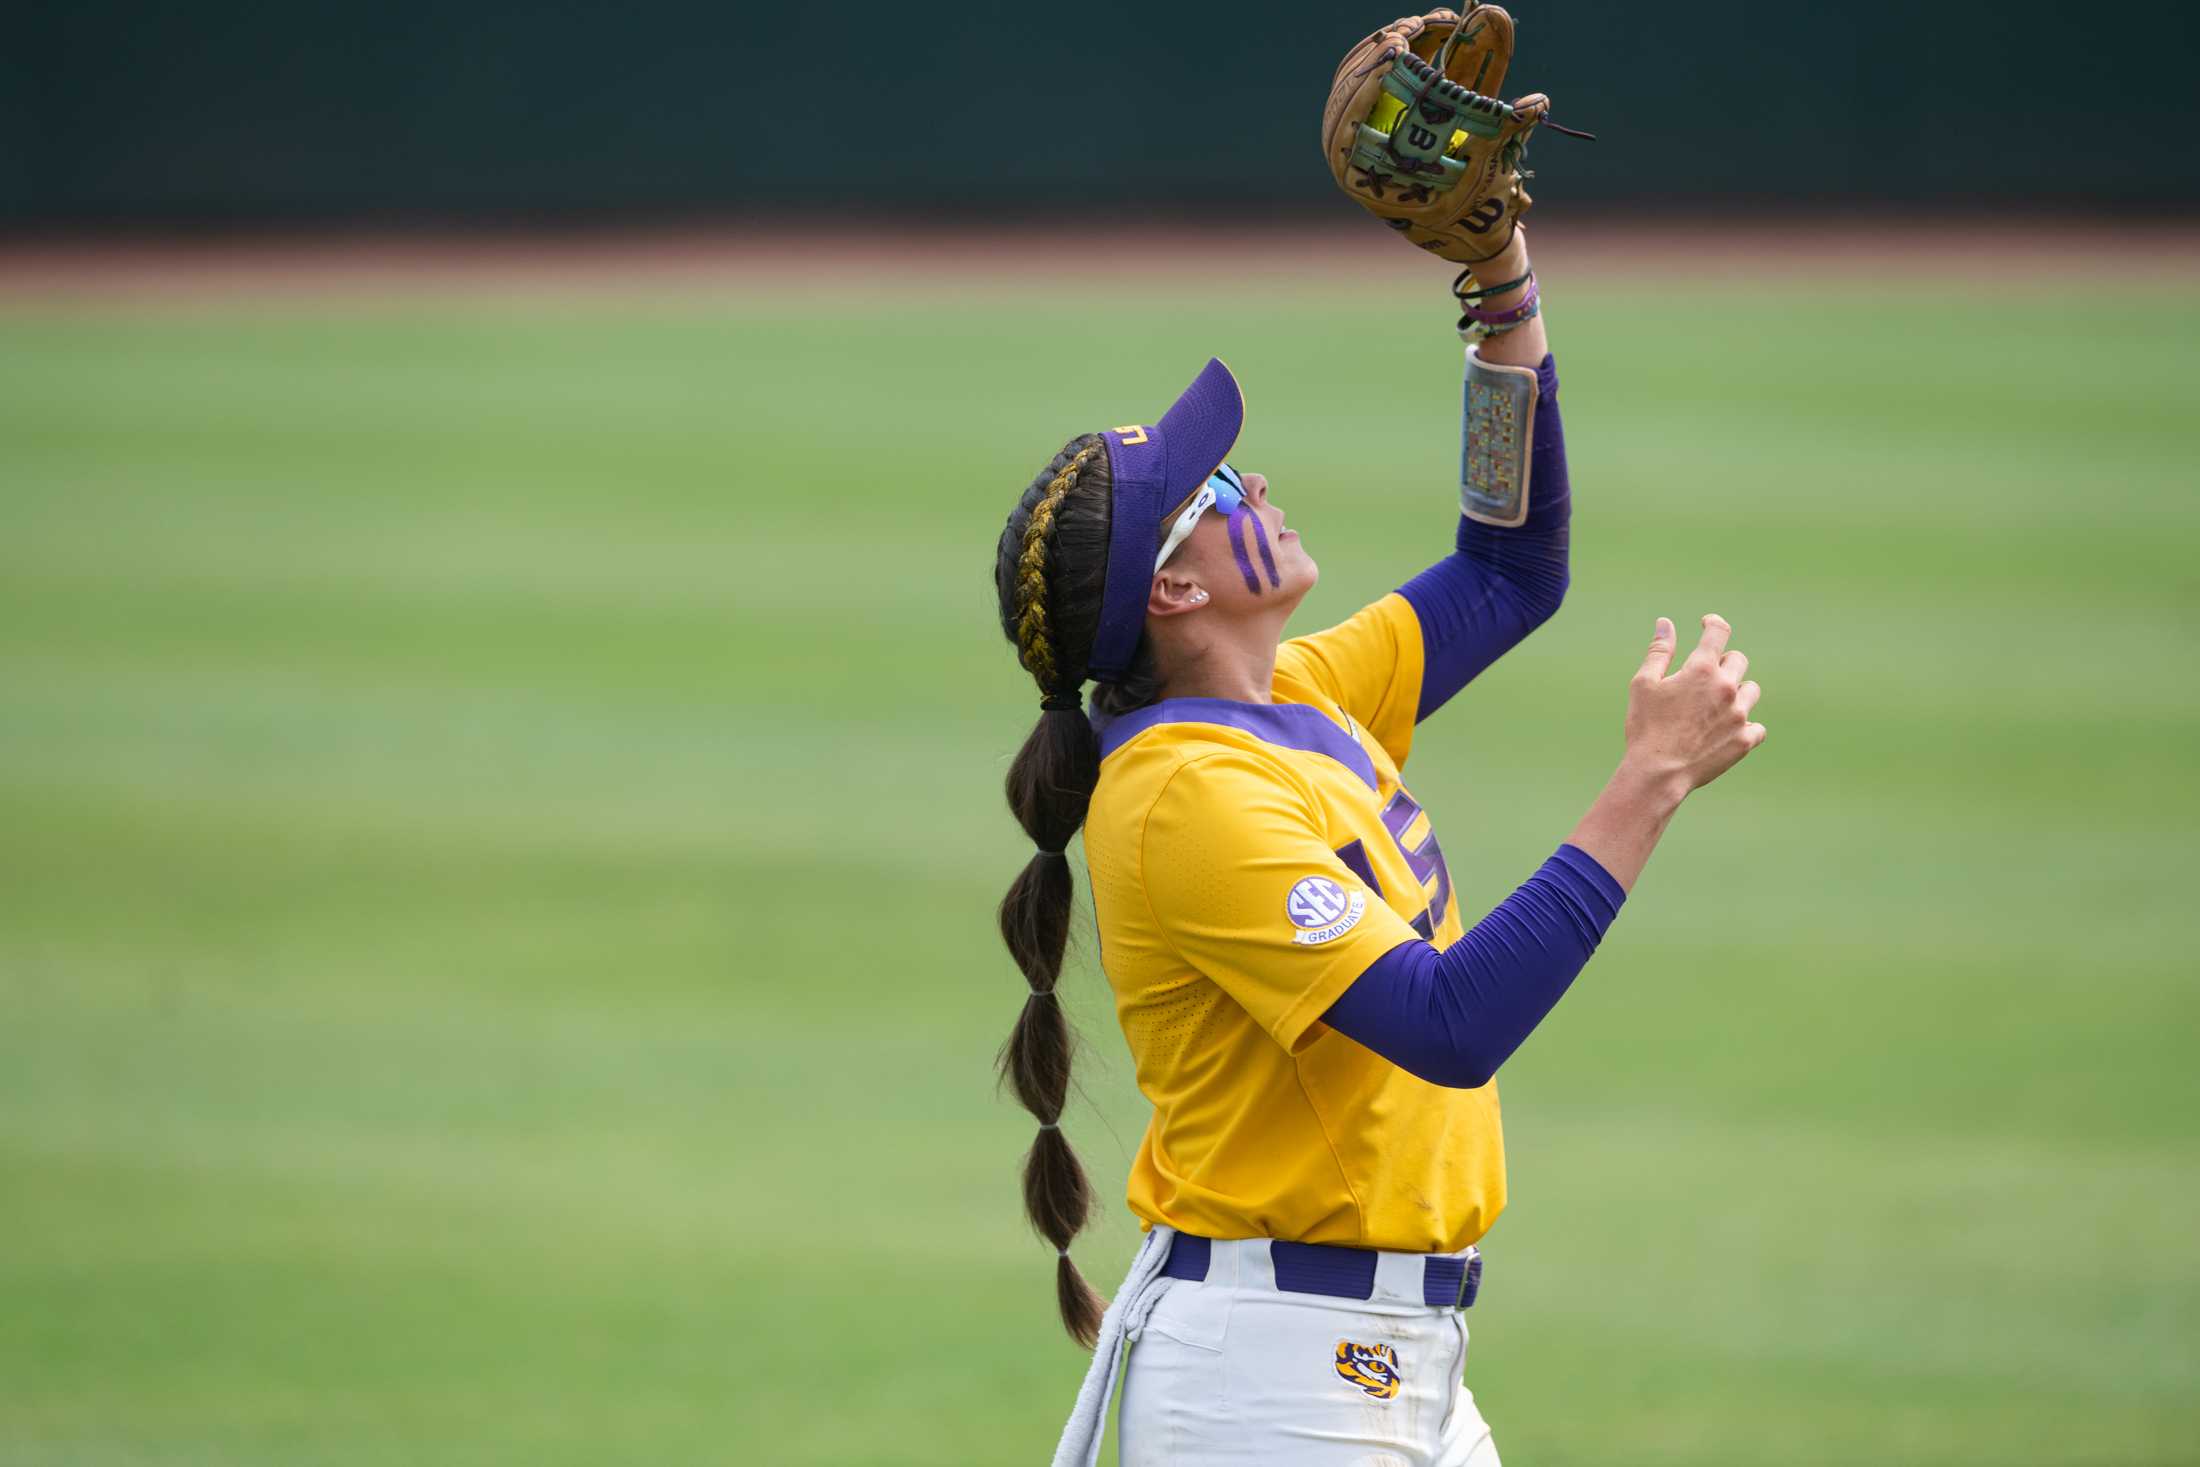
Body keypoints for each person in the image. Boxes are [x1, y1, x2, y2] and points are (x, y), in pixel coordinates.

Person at [989, 224, 1767, 1467]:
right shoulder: (1182, 795)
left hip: (1383, 1365)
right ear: (1173, 594)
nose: (1253, 482)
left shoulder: (1298, 695)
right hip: (1271, 1384)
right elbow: (1444, 1021)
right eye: (1217, 493)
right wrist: (1648, 780)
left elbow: (1511, 568)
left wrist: (1500, 294)